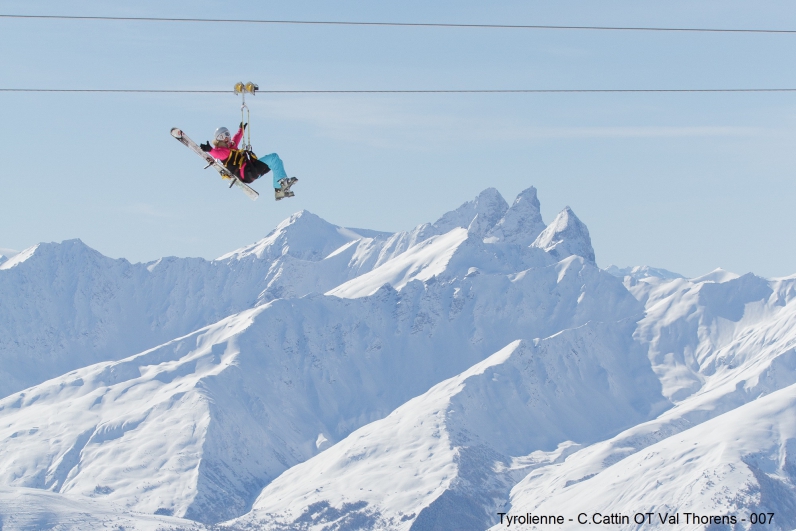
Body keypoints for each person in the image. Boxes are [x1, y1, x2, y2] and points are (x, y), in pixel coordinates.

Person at [200, 124, 291, 192]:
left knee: (277, 162)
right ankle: (282, 183)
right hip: (248, 171)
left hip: (250, 172)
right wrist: (210, 150)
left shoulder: (231, 147)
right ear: (219, 138)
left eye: (228, 134)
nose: (228, 137)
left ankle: (279, 190)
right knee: (273, 158)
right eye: (224, 135)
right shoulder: (224, 152)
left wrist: (241, 129)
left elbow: (237, 138)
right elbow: (217, 154)